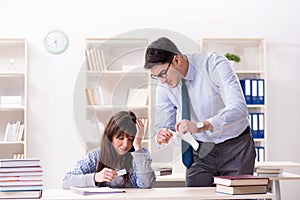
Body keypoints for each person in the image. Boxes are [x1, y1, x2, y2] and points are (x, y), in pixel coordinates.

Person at [144, 37, 256, 187]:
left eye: (163, 74)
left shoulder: (213, 64)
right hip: (201, 151)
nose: (162, 81)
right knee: (194, 195)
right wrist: (162, 132)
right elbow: (164, 123)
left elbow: (238, 108)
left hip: (235, 149)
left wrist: (202, 125)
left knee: (236, 196)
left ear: (177, 60)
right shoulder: (164, 85)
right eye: (156, 76)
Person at [62, 111, 156, 189]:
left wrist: (138, 145)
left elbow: (147, 184)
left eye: (131, 139)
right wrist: (95, 177)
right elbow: (66, 182)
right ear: (110, 136)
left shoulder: (139, 155)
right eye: (120, 138)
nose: (126, 144)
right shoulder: (95, 157)